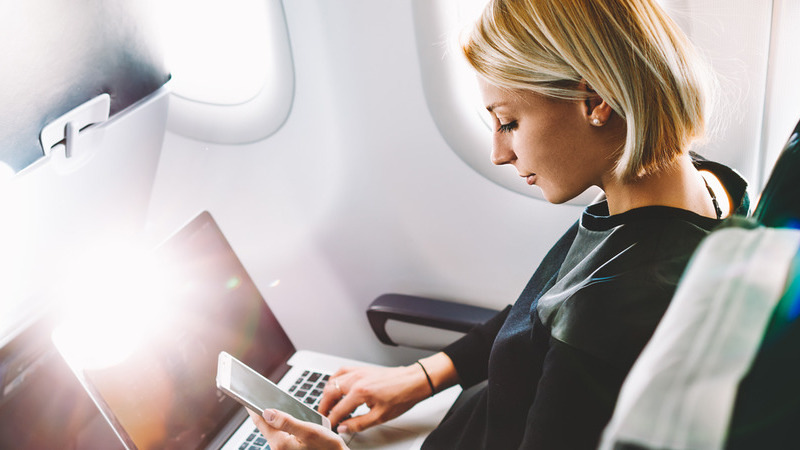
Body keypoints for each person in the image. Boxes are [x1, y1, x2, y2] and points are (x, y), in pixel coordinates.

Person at [249, 0, 749, 448]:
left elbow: (573, 323)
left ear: (596, 101)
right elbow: (540, 314)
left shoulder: (611, 310)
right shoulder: (710, 188)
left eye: (509, 121)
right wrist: (422, 376)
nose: (497, 153)